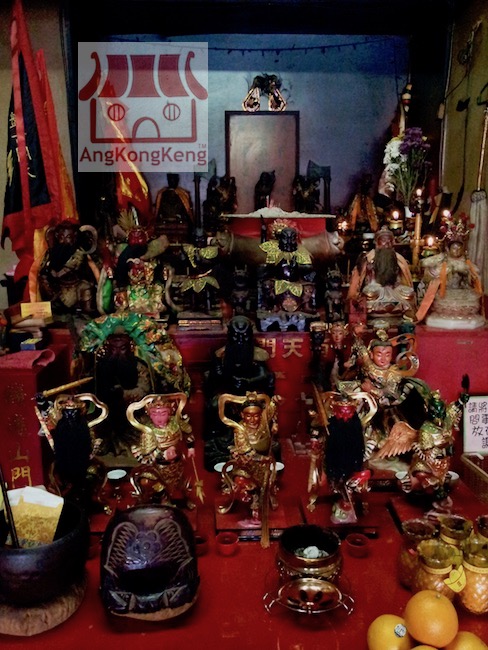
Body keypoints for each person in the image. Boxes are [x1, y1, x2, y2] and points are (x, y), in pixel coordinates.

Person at [216, 390, 281, 546]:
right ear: (242, 415)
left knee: (266, 486)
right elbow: (247, 452)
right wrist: (261, 458)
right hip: (246, 466)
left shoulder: (263, 422)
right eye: (249, 416)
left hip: (264, 466)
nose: (253, 419)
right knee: (242, 483)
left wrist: (275, 401)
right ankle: (252, 505)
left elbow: (271, 410)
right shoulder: (240, 430)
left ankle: (258, 511)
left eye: (256, 415)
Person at [127, 393, 199, 509]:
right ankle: (164, 499)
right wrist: (161, 454)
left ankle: (186, 498)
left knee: (185, 482)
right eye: (154, 414)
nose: (159, 418)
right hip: (157, 468)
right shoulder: (148, 432)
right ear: (149, 414)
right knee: (147, 481)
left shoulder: (175, 423)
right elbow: (146, 456)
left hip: (178, 463)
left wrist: (191, 447)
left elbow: (188, 432)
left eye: (163, 413)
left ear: (170, 412)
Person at [347, 225, 416, 326]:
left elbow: (402, 279)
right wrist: (369, 271)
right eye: (383, 240)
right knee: (369, 293)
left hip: (394, 289)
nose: (387, 243)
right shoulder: (368, 258)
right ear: (376, 242)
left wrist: (397, 284)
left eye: (389, 241)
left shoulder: (398, 258)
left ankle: (396, 311)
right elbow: (361, 282)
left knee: (409, 292)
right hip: (376, 289)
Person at [416, 233, 485, 329]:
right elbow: (424, 264)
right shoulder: (443, 260)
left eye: (459, 248)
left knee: (472, 303)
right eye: (454, 248)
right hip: (445, 292)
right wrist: (445, 270)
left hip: (463, 293)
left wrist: (465, 271)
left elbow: (476, 274)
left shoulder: (465, 262)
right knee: (440, 302)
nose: (457, 251)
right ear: (448, 249)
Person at [38, 219, 100, 316]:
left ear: (74, 237)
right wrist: (46, 275)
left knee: (85, 289)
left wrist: (58, 273)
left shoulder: (78, 252)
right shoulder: (52, 252)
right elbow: (44, 266)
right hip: (59, 286)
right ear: (56, 236)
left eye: (68, 237)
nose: (64, 241)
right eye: (61, 237)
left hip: (76, 284)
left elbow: (73, 264)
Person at [154, 173, 194, 239]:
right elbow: (158, 210)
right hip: (165, 220)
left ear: (177, 180)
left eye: (174, 179)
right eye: (170, 180)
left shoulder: (183, 194)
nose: (172, 181)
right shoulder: (162, 194)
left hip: (179, 220)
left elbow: (187, 210)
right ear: (168, 180)